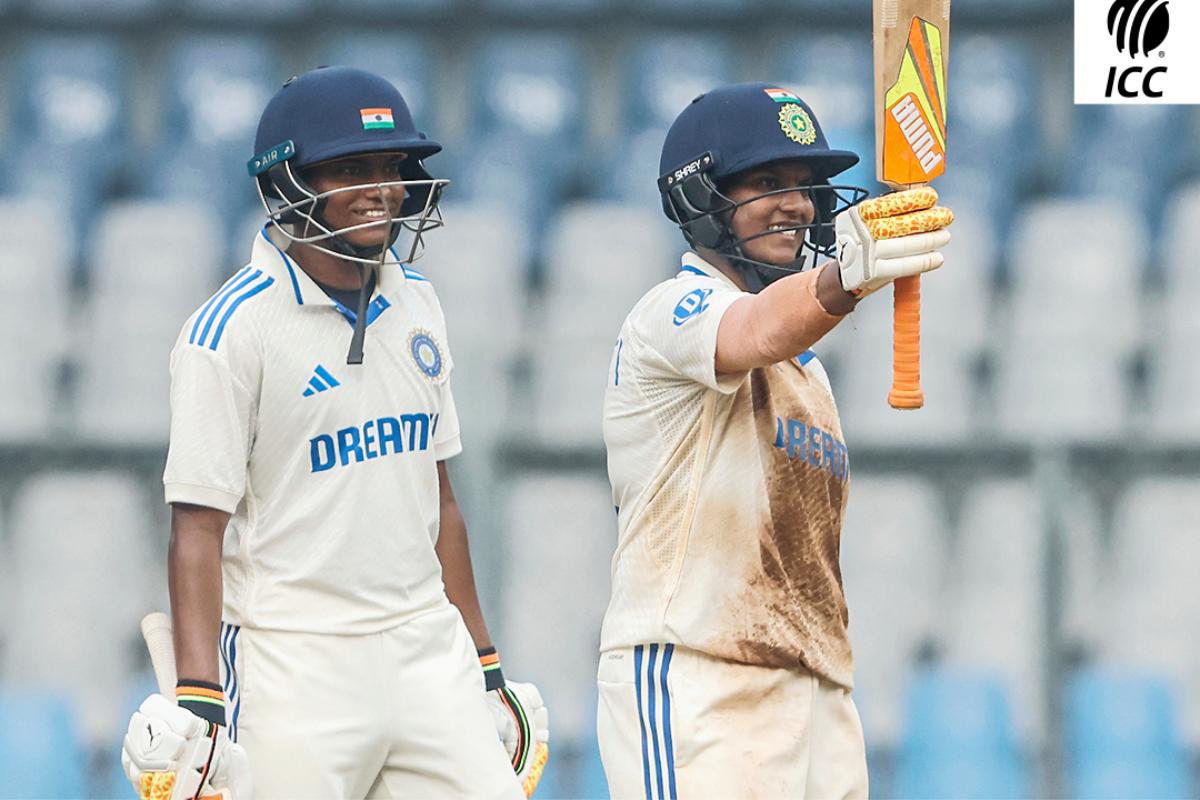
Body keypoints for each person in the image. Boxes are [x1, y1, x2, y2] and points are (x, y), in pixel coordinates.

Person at [120, 66, 548, 800]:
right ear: (287, 181)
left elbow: (439, 501)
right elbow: (196, 528)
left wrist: (484, 664)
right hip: (294, 662)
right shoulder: (227, 333)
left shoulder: (418, 304)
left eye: (390, 168)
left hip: (426, 649)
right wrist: (200, 695)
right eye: (350, 168)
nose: (381, 189)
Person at [595, 82, 953, 798]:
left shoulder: (809, 374)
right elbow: (756, 328)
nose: (797, 204)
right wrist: (849, 275)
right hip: (700, 677)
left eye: (805, 186)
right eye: (766, 182)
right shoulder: (670, 313)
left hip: (815, 687)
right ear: (700, 196)